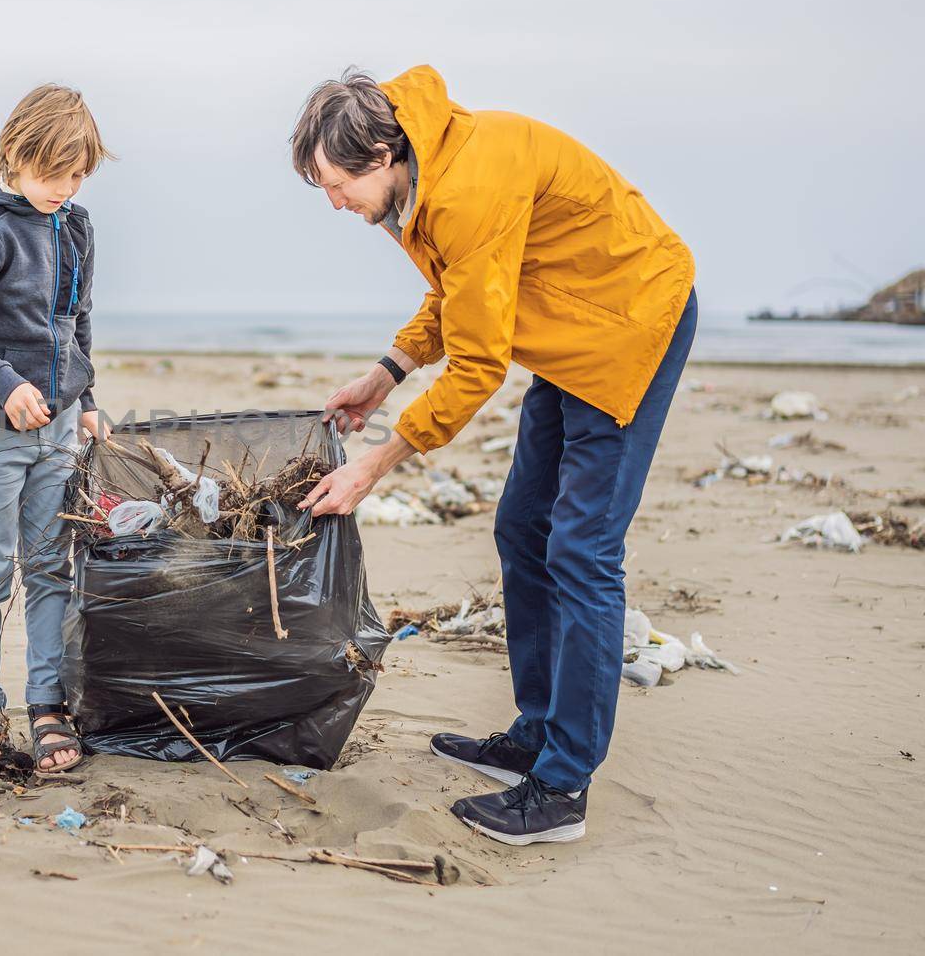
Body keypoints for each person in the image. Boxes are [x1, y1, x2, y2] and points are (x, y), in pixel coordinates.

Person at [291, 65, 696, 845]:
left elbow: (479, 364)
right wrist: (386, 373)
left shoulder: (466, 185)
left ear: (378, 153)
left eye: (335, 183)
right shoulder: (427, 169)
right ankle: (535, 734)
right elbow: (457, 292)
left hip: (632, 321)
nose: (333, 202)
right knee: (521, 527)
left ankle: (562, 786)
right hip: (569, 328)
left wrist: (376, 462)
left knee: (582, 550)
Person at [0, 83, 113, 774]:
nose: (64, 188)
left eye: (77, 174)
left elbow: (77, 321)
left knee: (50, 570)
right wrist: (5, 386)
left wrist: (86, 396)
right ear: (13, 153)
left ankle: (47, 702)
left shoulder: (78, 226)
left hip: (58, 431)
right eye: (51, 173)